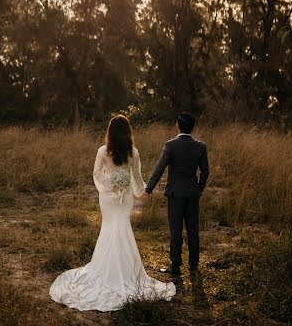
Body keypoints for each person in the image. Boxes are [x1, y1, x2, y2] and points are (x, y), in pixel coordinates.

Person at [49, 114, 175, 312]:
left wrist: (111, 183)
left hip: (109, 197)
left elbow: (97, 174)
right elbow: (136, 177)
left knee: (114, 229)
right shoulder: (133, 152)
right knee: (117, 229)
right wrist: (140, 191)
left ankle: (111, 271)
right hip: (123, 197)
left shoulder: (104, 151)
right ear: (128, 132)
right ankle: (123, 272)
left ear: (110, 132)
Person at [145, 112, 209, 276]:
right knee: (193, 229)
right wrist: (199, 188)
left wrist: (148, 189)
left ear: (178, 125)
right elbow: (205, 171)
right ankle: (194, 265)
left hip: (175, 193)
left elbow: (159, 169)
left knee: (176, 230)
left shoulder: (170, 145)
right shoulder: (200, 146)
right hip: (192, 193)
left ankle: (176, 266)